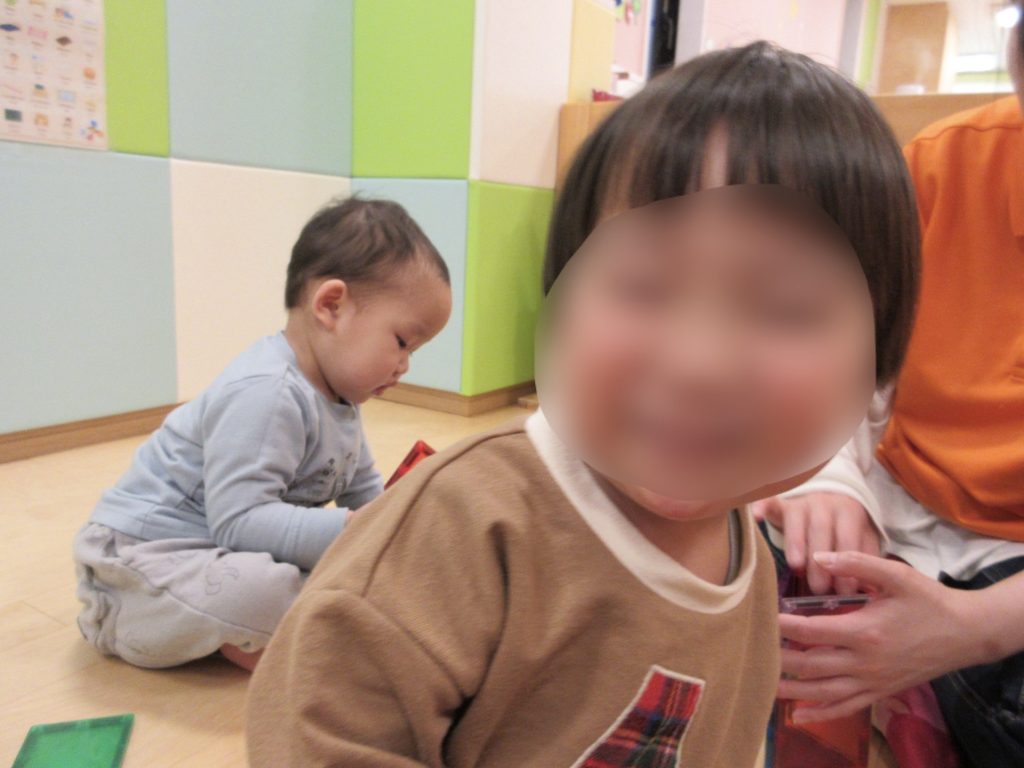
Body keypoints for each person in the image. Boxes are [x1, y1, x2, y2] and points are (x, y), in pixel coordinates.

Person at [245, 42, 920, 767]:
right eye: (644, 286)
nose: (700, 363)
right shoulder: (465, 526)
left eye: (786, 308)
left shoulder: (750, 568)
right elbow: (316, 733)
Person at [755, 4, 1024, 765]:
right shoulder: (942, 168)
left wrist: (973, 630)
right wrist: (827, 474)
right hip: (903, 502)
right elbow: (836, 350)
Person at [72, 197, 453, 671]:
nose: (404, 366)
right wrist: (351, 531)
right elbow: (240, 522)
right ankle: (130, 621)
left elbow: (364, 493)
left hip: (220, 550)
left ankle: (260, 630)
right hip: (140, 560)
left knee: (350, 571)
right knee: (262, 590)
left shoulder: (342, 400)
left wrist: (393, 526)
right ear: (332, 306)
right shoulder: (267, 391)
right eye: (401, 342)